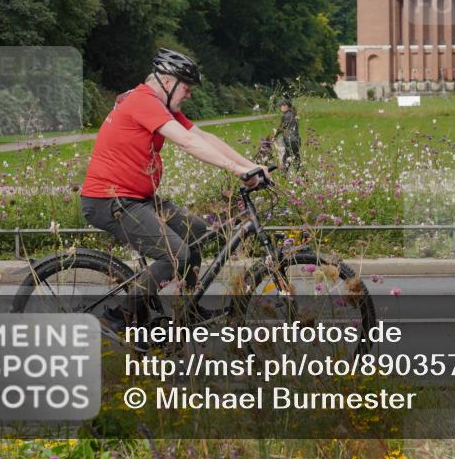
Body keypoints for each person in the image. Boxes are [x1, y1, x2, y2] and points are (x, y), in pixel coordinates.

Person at [80, 49, 269, 342]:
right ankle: (119, 316)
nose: (189, 94)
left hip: (136, 196)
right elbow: (187, 142)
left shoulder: (157, 104)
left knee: (198, 234)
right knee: (175, 255)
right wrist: (235, 169)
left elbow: (204, 137)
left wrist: (249, 166)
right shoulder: (143, 101)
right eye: (186, 87)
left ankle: (187, 311)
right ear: (167, 82)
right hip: (111, 200)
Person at [278, 98, 301, 170]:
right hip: (296, 141)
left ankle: (284, 178)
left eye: (281, 106)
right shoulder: (294, 115)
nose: (280, 108)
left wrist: (275, 135)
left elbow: (281, 128)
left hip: (289, 142)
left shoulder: (286, 115)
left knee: (288, 161)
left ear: (285, 106)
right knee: (296, 160)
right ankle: (304, 178)